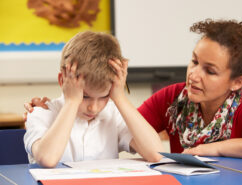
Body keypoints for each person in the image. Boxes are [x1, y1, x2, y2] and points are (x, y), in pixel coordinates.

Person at [25, 19, 242, 161]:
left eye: (210, 70)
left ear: (236, 82)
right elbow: (135, 131)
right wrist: (69, 104)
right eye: (194, 61)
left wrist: (213, 149)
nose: (194, 74)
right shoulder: (173, 98)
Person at [23, 31, 163, 168]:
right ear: (63, 81)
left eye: (104, 96)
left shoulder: (113, 115)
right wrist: (72, 102)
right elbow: (47, 159)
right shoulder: (41, 113)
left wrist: (120, 97)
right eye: (84, 96)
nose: (93, 108)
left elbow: (156, 155)